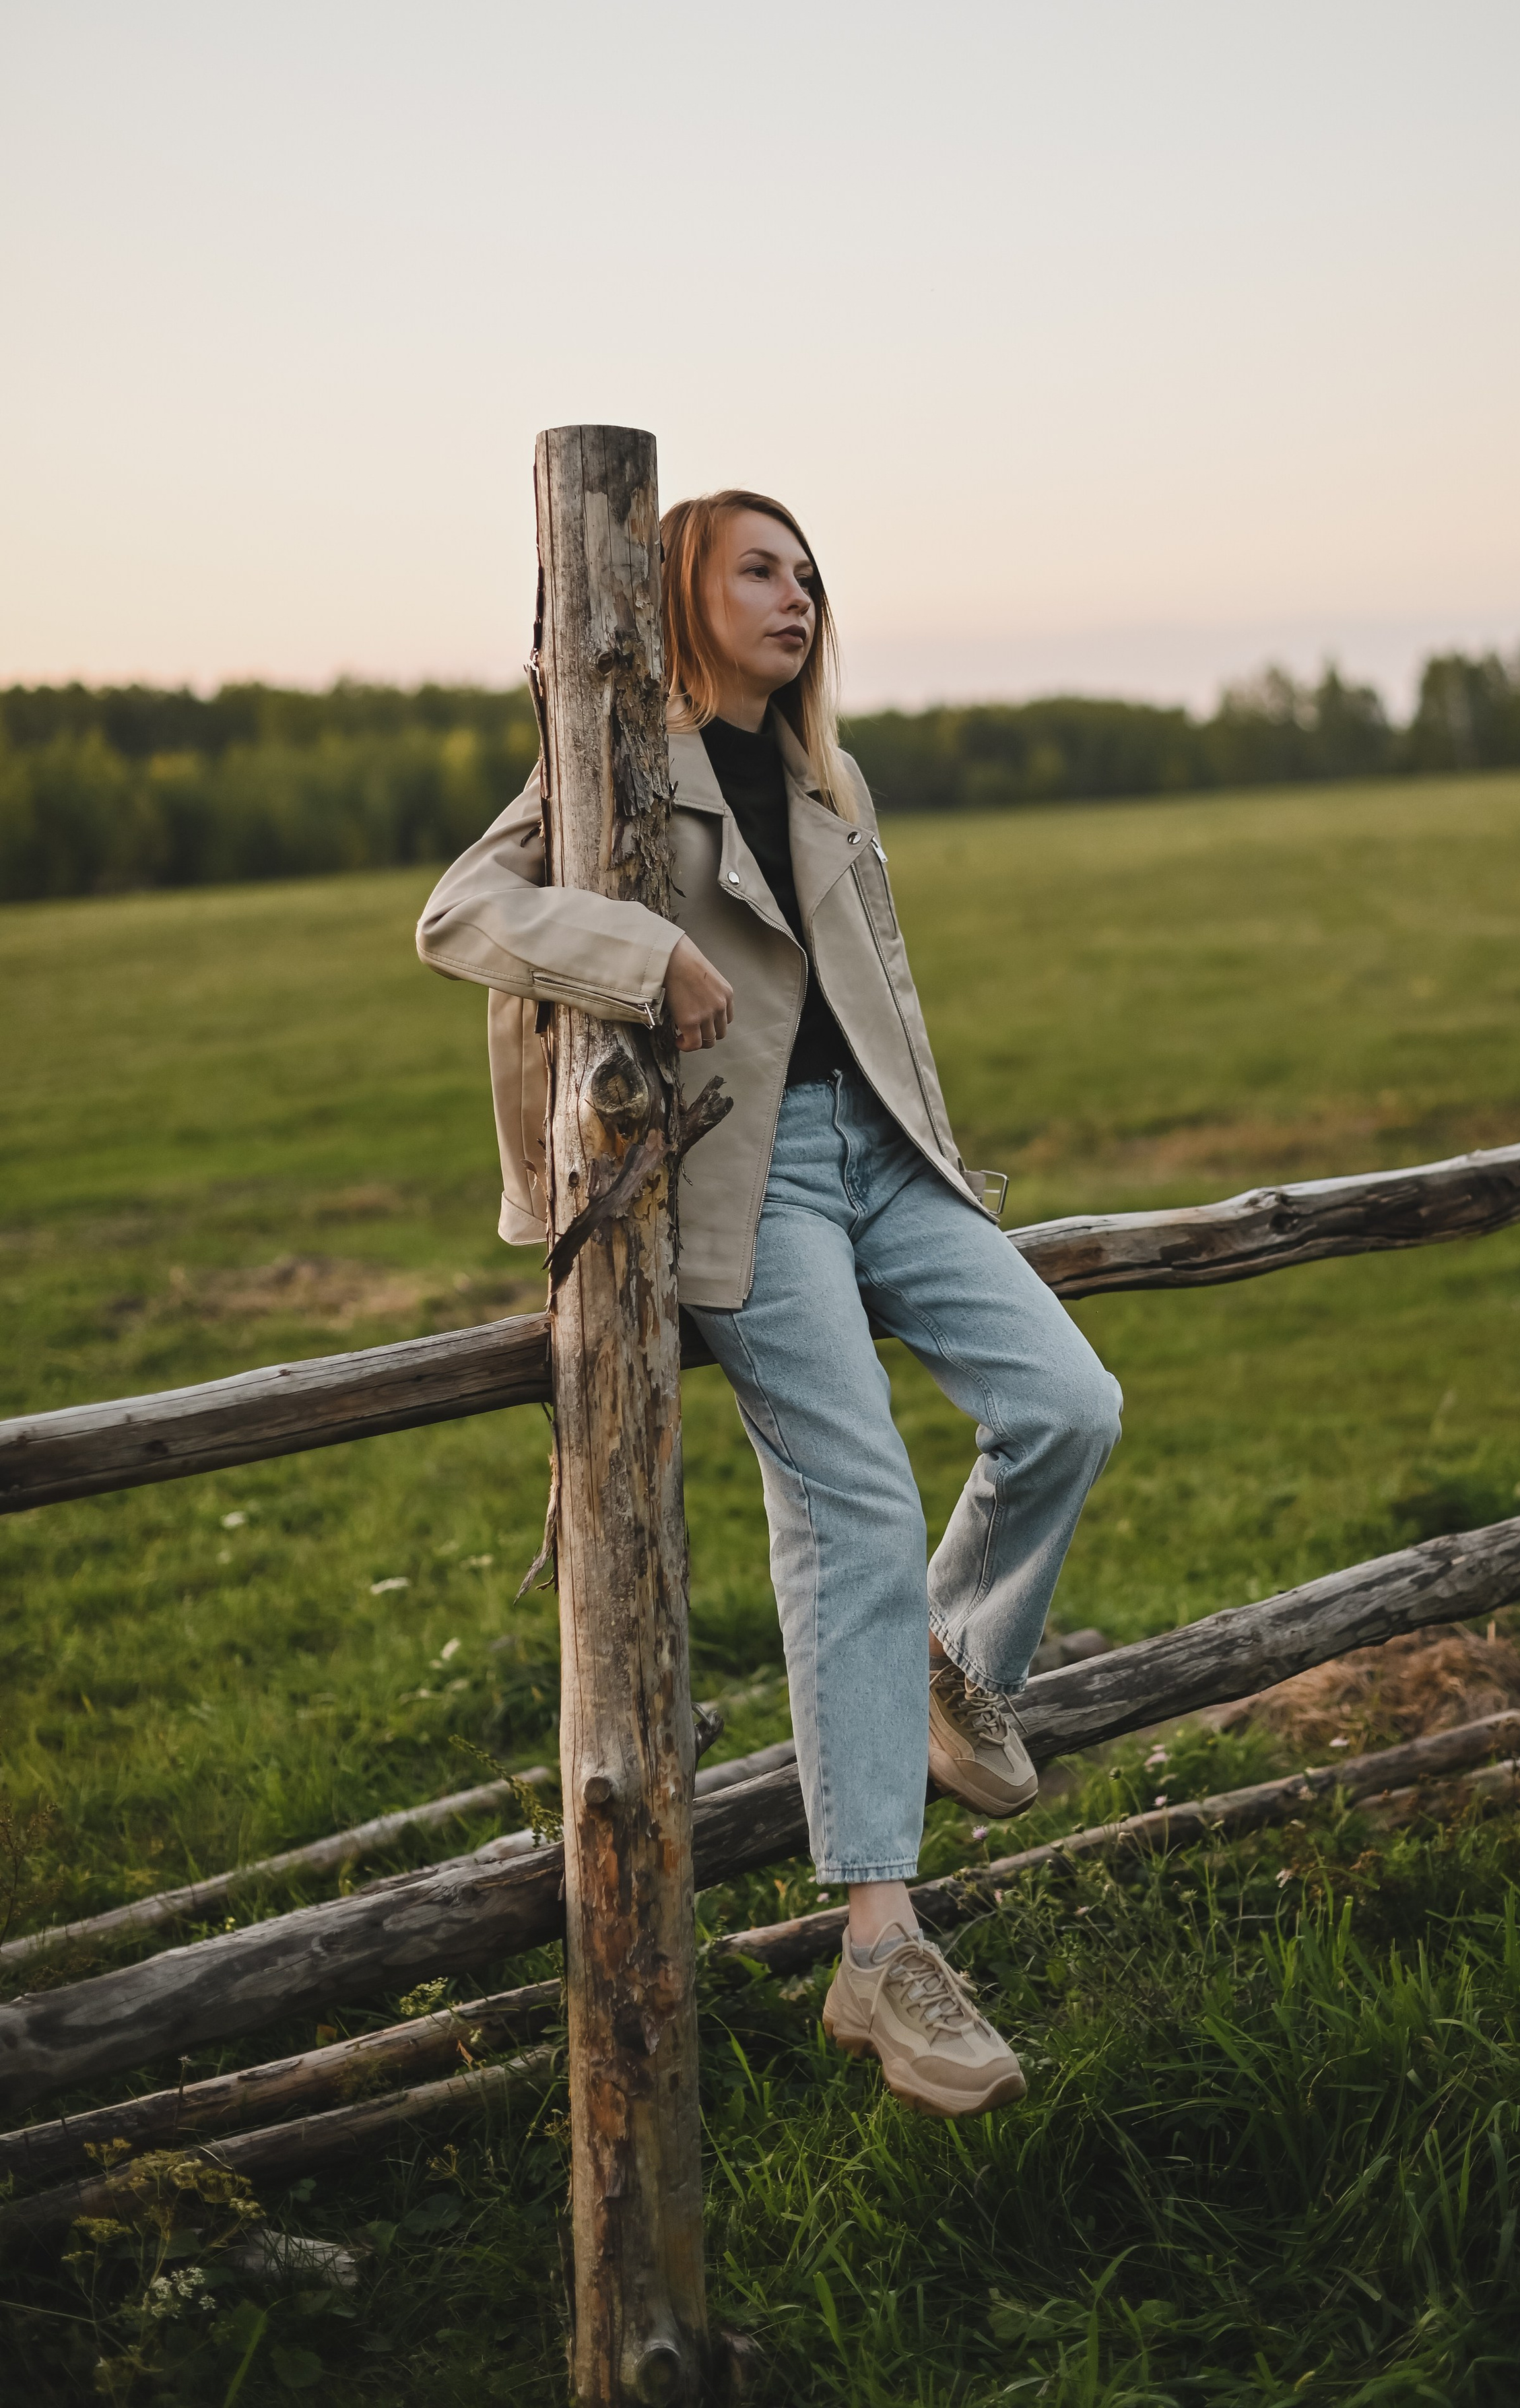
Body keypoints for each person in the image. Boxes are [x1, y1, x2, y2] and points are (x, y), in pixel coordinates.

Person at [416, 490, 1121, 2116]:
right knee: (850, 1507)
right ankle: (879, 1941)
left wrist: (935, 1155)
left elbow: (887, 991)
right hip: (751, 1178)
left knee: (1069, 1404)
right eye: (758, 568)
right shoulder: (608, 770)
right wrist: (636, 952)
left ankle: (952, 1666)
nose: (795, 594)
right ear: (678, 588)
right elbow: (456, 913)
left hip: (884, 1153)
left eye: (808, 573)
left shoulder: (828, 773)